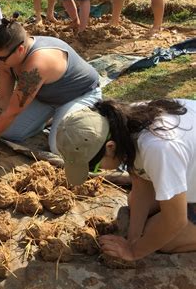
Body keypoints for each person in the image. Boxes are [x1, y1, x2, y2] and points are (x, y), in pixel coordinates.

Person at [56, 99, 196, 261]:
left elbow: (175, 221)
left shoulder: (159, 149)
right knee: (137, 206)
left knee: (167, 241)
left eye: (94, 167)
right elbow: (141, 187)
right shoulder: (123, 122)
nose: (97, 171)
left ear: (110, 147)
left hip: (170, 155)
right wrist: (132, 238)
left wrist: (133, 251)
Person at [0, 18, 101, 161]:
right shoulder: (7, 55)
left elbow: (13, 111)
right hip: (46, 98)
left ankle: (92, 118)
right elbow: (2, 99)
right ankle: (52, 119)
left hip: (79, 95)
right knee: (6, 133)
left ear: (20, 49)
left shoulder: (38, 63)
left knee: (59, 147)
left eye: (2, 58)